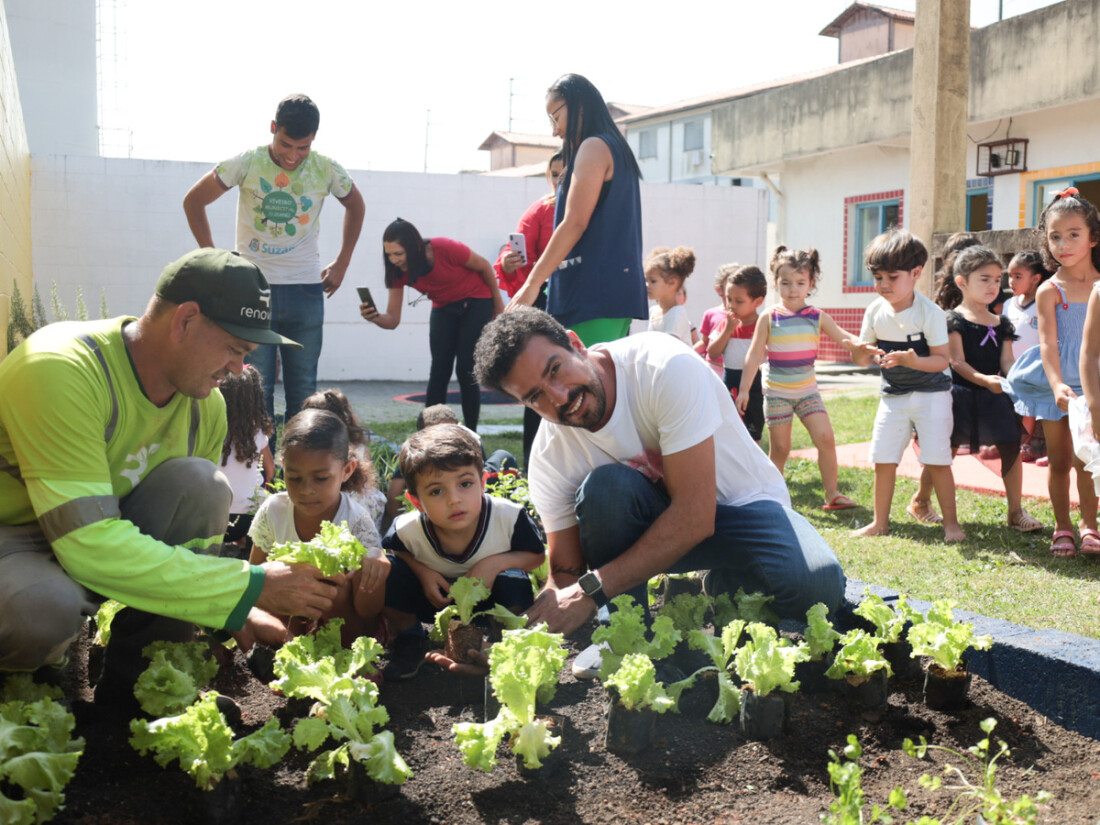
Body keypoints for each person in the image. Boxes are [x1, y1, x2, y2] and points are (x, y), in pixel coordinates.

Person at [0, 248, 345, 698]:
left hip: (93, 533)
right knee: (40, 610)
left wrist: (234, 612)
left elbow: (177, 544)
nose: (240, 369)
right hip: (15, 536)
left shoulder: (206, 405)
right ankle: (25, 682)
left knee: (203, 487)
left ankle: (140, 685)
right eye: (235, 349)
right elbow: (87, 545)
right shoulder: (62, 368)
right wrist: (249, 587)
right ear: (184, 320)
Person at [471, 307, 846, 645]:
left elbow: (695, 517)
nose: (559, 397)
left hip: (744, 509)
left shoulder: (662, 367)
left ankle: (728, 579)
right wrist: (518, 646)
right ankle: (626, 630)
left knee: (818, 585)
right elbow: (565, 571)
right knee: (607, 489)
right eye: (536, 397)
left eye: (555, 369)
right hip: (657, 534)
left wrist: (590, 591)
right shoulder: (551, 453)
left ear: (575, 344)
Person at [183, 93, 366, 425]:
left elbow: (357, 205)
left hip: (306, 292)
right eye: (286, 144)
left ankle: (298, 474)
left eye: (303, 147)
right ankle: (259, 476)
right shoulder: (247, 162)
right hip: (254, 291)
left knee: (304, 396)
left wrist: (342, 262)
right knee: (254, 393)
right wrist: (213, 258)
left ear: (313, 140)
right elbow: (193, 201)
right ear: (273, 128)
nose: (293, 155)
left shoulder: (326, 168)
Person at [380, 423, 545, 679]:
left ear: (482, 483)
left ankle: (505, 642)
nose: (454, 499)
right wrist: (422, 572)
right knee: (388, 572)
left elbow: (536, 557)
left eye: (465, 484)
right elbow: (394, 551)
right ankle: (409, 639)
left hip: (491, 604)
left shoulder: (508, 517)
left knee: (512, 578)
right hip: (438, 601)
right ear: (416, 502)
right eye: (436, 491)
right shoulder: (408, 529)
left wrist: (493, 564)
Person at [505, 74, 647, 346]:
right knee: (600, 381)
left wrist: (532, 284)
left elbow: (574, 223)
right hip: (611, 292)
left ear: (579, 107)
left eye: (555, 118)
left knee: (584, 382)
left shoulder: (594, 147)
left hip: (593, 292)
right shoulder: (615, 147)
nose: (554, 131)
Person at [910, 246, 1040, 533]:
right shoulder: (953, 319)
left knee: (1011, 446)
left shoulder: (1002, 322)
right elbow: (957, 361)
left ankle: (1016, 511)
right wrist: (984, 380)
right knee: (946, 450)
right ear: (962, 282)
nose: (993, 286)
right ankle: (921, 500)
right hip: (959, 396)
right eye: (985, 279)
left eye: (997, 279)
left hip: (995, 395)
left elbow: (1007, 360)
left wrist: (1019, 379)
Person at [848, 229, 964, 542]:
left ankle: (951, 525)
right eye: (877, 277)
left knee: (937, 459)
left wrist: (912, 361)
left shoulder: (930, 312)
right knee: (883, 459)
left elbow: (942, 360)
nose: (883, 285)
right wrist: (860, 351)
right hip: (893, 396)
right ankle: (879, 523)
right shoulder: (874, 310)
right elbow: (863, 359)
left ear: (915, 273)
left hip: (932, 396)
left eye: (891, 277)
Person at [1006, 188, 1100, 557]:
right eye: (1055, 236)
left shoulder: (1099, 287)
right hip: (1060, 385)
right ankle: (1063, 527)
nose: (1064, 244)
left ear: (1093, 237)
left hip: (1094, 384)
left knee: (1088, 460)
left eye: (1073, 234)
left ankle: (1089, 526)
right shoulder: (1049, 289)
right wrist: (1058, 383)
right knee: (1060, 460)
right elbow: (1047, 343)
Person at [249, 408, 389, 646]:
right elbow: (254, 579)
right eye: (294, 478)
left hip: (344, 629)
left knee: (333, 590)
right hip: (287, 625)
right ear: (284, 467)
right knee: (277, 580)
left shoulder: (355, 519)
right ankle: (287, 653)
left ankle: (337, 659)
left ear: (347, 471)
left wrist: (374, 567)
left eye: (321, 478)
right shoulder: (273, 510)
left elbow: (367, 612)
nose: (306, 490)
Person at [738, 247, 863, 510]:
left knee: (826, 439)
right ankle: (771, 496)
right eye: (785, 283)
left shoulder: (817, 317)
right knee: (781, 449)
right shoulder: (769, 317)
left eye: (799, 283)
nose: (792, 289)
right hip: (777, 394)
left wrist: (862, 345)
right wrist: (744, 390)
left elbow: (844, 337)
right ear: (776, 283)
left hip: (807, 393)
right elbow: (753, 355)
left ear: (811, 284)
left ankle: (832, 494)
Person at [360, 218, 504, 431]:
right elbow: (392, 320)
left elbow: (483, 266)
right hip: (444, 306)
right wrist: (374, 317)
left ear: (415, 247)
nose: (394, 260)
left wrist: (498, 308)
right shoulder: (396, 271)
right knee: (439, 369)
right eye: (389, 254)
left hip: (476, 300)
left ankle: (471, 432)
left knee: (466, 368)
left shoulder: (444, 248)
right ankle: (428, 432)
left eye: (398, 253)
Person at [495, 152, 565, 466]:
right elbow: (513, 256)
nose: (559, 179)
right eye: (554, 173)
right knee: (540, 380)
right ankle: (534, 463)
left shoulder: (598, 209)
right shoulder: (540, 210)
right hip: (547, 306)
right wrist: (510, 263)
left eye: (567, 173)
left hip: (588, 305)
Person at [301, 388, 387, 532]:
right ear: (345, 418)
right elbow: (369, 483)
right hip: (361, 509)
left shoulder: (306, 453)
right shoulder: (359, 448)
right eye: (351, 410)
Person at [219, 366, 275, 556]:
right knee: (262, 496)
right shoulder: (256, 432)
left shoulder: (211, 430)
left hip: (213, 519)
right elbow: (270, 470)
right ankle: (248, 546)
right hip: (248, 520)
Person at [708, 265, 768, 445]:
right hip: (729, 380)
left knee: (753, 428)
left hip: (754, 383)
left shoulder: (763, 324)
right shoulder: (726, 323)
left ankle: (753, 464)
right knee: (726, 424)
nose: (731, 305)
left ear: (757, 301)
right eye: (729, 299)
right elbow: (712, 353)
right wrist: (727, 331)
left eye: (738, 301)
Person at [1004, 250, 1052, 464]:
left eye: (1018, 276)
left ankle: (1027, 443)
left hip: (1035, 370)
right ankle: (1006, 440)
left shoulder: (1044, 304)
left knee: (1029, 407)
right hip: (1009, 368)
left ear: (1035, 279)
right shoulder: (1007, 305)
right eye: (1009, 276)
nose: (1011, 281)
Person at [645, 246, 696, 346]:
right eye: (646, 281)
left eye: (653, 281)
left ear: (672, 283)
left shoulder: (677, 314)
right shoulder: (653, 311)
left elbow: (668, 349)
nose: (647, 285)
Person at [697, 263, 739, 378]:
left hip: (733, 371)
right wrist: (689, 353)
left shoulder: (745, 317)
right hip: (711, 369)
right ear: (719, 290)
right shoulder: (710, 314)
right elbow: (705, 342)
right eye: (730, 283)